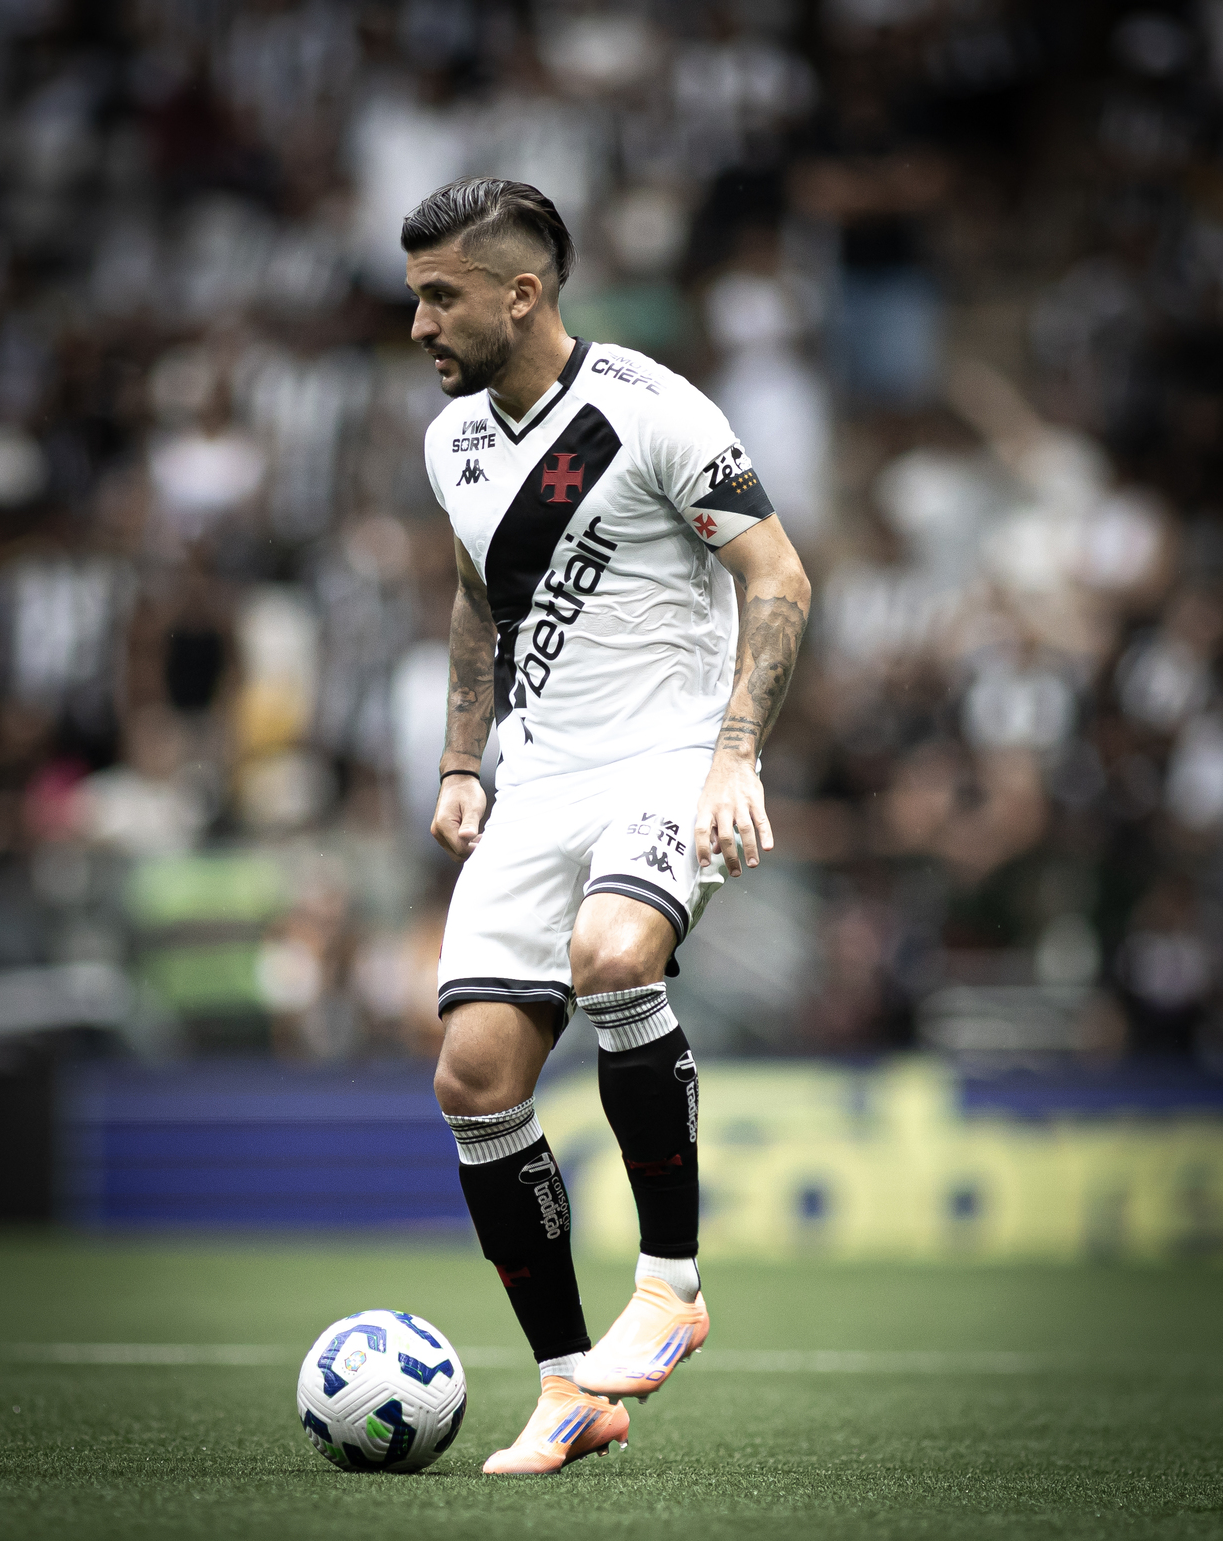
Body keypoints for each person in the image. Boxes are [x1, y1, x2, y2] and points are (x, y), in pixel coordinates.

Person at [406, 178, 811, 1475]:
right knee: (474, 1077)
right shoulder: (452, 443)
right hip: (537, 779)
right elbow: (475, 598)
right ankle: (570, 1387)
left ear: (521, 293)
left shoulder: (651, 410)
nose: (419, 324)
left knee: (616, 956)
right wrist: (461, 760)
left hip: (666, 759)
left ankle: (671, 1285)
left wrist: (733, 755)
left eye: (441, 297)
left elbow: (779, 575)